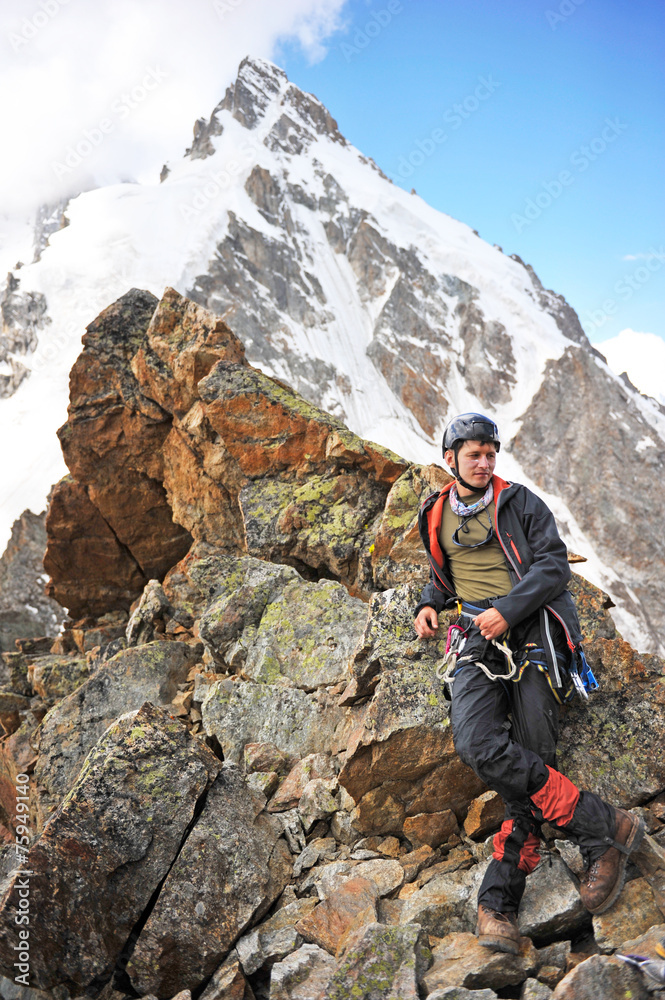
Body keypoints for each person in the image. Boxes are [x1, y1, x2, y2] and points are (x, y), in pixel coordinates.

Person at [413, 412, 644, 955]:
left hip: (534, 630)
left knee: (534, 754)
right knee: (476, 744)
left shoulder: (519, 503)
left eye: (491, 453)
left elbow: (553, 566)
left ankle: (498, 904)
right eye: (474, 453)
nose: (485, 461)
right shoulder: (435, 512)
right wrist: (429, 602)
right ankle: (603, 825)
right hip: (474, 635)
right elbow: (444, 571)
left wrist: (506, 611)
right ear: (451, 460)